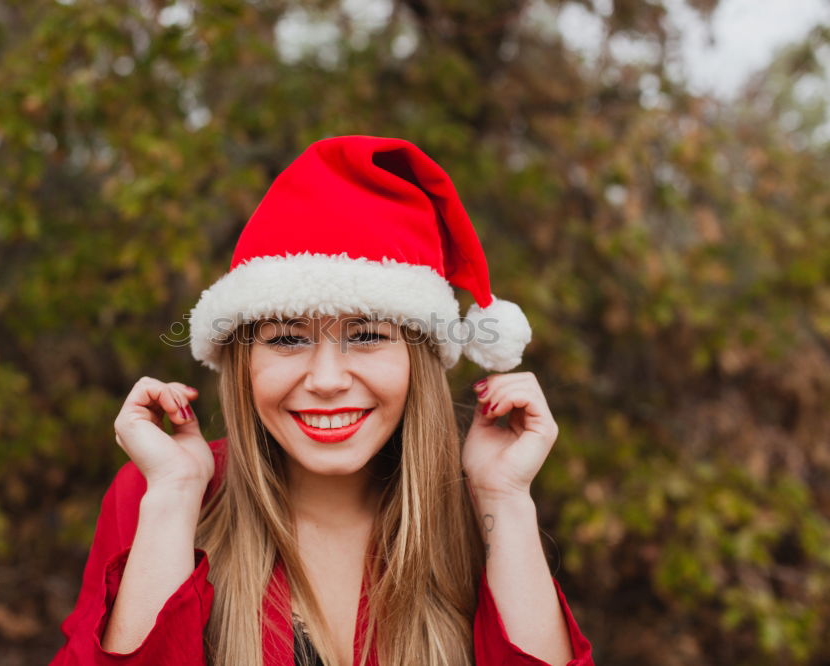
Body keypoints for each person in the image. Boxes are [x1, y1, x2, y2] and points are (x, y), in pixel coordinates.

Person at [50, 135, 595, 665]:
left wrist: (504, 499)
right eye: (287, 339)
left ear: (417, 362)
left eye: (366, 336)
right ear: (243, 364)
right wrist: (173, 498)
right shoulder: (160, 495)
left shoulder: (476, 507)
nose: (328, 379)